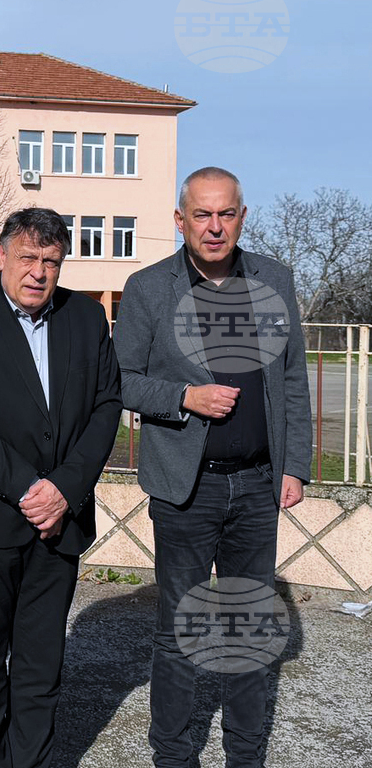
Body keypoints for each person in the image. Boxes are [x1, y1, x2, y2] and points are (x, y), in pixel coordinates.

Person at [112, 167, 310, 768]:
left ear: (242, 218)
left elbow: (293, 379)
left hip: (257, 485)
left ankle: (244, 756)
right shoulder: (149, 288)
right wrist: (184, 397)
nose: (215, 226)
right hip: (186, 488)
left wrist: (294, 465)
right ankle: (173, 756)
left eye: (226, 214)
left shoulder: (275, 280)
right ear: (181, 221)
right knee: (180, 632)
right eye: (202, 214)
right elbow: (120, 380)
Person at [0, 208, 122, 768]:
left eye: (51, 261)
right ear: (3, 255)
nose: (39, 272)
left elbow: (107, 405)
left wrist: (64, 488)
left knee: (41, 664)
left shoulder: (87, 317)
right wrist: (31, 487)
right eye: (29, 257)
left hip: (59, 521)